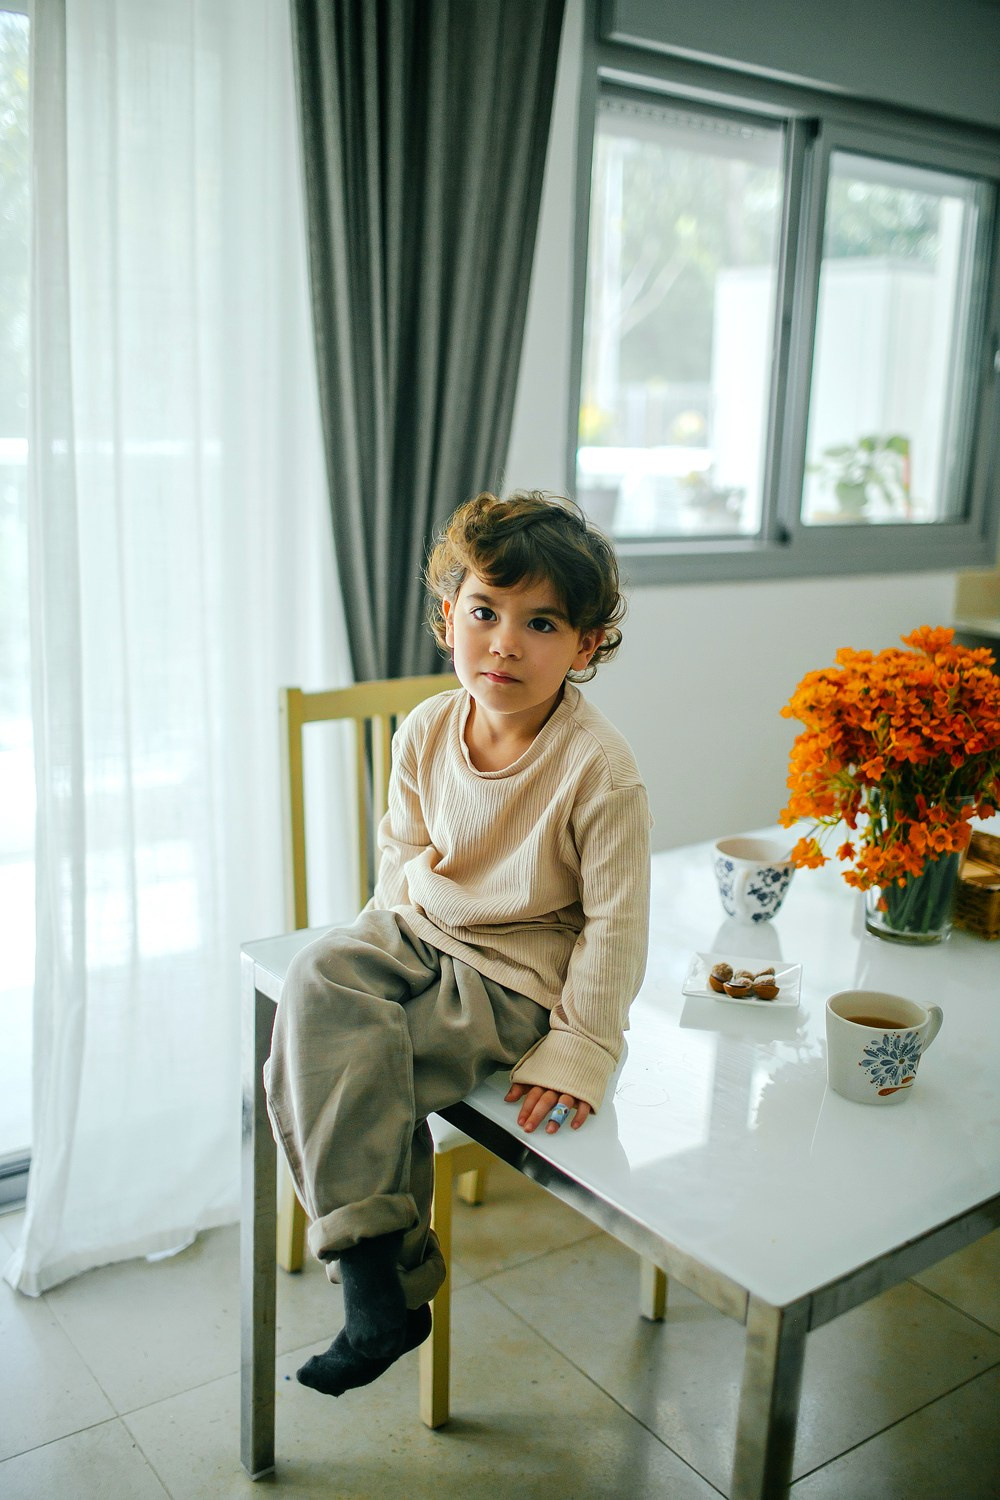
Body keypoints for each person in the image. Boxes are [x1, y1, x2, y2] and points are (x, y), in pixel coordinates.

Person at [264, 489, 651, 1398]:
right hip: (415, 930)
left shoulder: (600, 768)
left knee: (369, 1066)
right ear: (450, 620)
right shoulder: (427, 726)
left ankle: (376, 1286)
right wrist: (385, 939)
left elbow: (617, 923)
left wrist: (583, 1044)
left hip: (512, 974)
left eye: (542, 622)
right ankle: (386, 1286)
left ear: (586, 646)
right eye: (485, 612)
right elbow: (401, 852)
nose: (505, 642)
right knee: (314, 982)